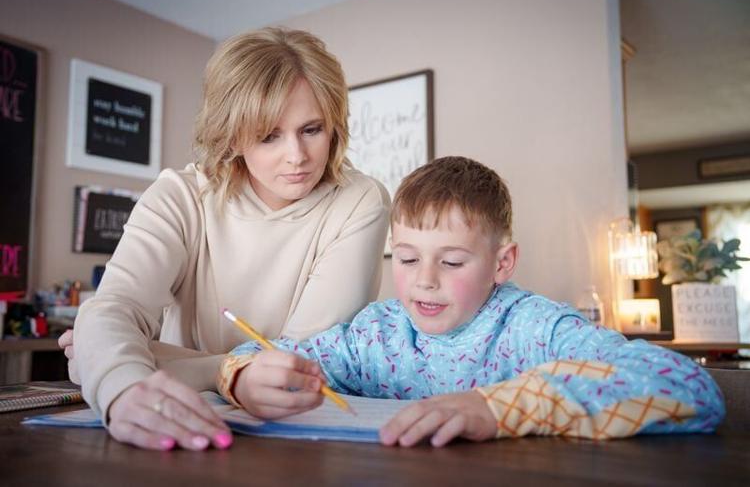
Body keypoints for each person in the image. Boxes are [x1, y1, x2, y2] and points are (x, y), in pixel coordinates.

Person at [218, 156, 725, 447]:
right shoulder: (376, 333)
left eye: (453, 262)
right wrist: (244, 377)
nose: (425, 282)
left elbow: (692, 387)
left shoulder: (533, 329)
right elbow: (254, 357)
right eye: (408, 259)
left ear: (502, 264)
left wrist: (497, 406)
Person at [60, 27, 390, 451]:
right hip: (180, 424)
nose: (297, 156)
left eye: (312, 129)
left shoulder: (360, 200)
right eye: (270, 135)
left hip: (296, 438)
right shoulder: (181, 195)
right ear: (233, 135)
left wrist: (124, 357)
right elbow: (113, 309)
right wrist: (123, 387)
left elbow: (301, 365)